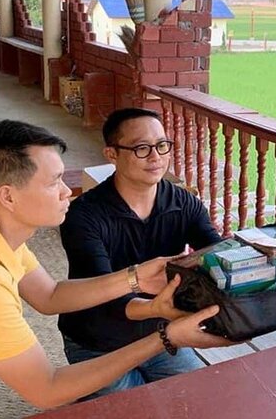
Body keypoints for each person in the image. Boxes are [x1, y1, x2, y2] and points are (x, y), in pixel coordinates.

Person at [0, 120, 228, 419]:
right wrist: (166, 338)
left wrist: (134, 278)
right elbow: (47, 389)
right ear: (8, 196)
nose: (66, 192)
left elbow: (48, 296)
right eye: (54, 182)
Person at [58, 108, 222, 399]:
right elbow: (99, 297)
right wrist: (156, 309)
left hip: (158, 333)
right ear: (111, 154)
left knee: (197, 398)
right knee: (135, 407)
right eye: (141, 148)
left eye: (162, 145)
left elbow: (216, 253)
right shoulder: (84, 216)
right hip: (96, 340)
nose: (156, 157)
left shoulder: (183, 203)